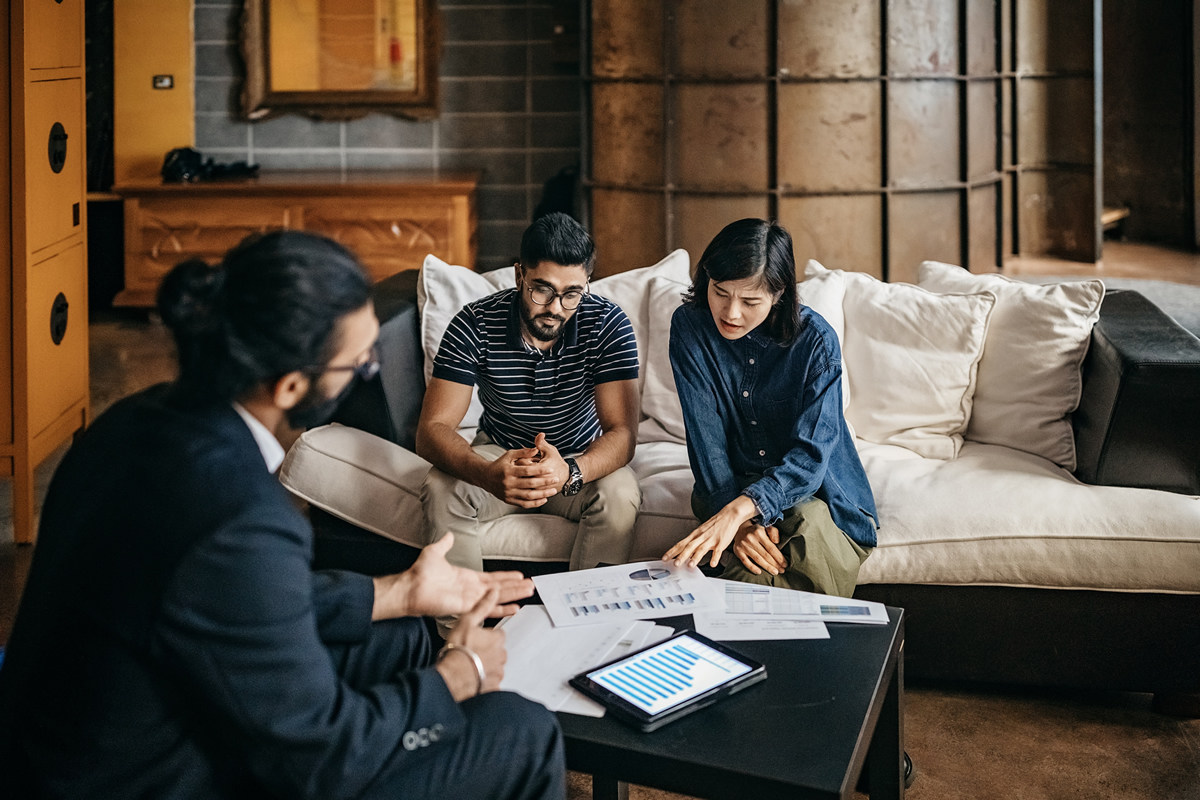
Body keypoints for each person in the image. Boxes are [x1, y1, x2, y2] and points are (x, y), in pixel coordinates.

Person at [0, 231, 565, 800]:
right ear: (293, 383)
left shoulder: (130, 421)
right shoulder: (243, 514)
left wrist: (398, 593)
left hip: (89, 728)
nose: (370, 369)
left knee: (404, 639)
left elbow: (227, 601)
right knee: (523, 730)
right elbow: (321, 760)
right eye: (359, 364)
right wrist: (460, 674)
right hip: (149, 777)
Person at [663, 219, 878, 597]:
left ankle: (714, 637)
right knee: (758, 560)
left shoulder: (815, 342)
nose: (730, 313)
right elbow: (706, 442)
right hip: (728, 485)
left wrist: (739, 512)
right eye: (719, 292)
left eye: (750, 302)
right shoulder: (690, 327)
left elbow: (812, 457)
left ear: (779, 294)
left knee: (801, 536)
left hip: (818, 495)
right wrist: (740, 523)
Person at [418, 213, 641, 573]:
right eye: (543, 289)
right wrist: (485, 473)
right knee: (442, 489)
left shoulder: (607, 323)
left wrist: (569, 471)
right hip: (499, 451)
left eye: (572, 294)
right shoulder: (474, 323)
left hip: (578, 458)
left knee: (620, 494)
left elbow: (623, 433)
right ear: (519, 275)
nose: (555, 308)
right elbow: (432, 429)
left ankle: (587, 624)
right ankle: (458, 628)